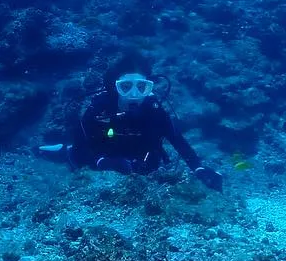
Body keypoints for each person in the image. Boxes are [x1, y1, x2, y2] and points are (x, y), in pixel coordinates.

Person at [37, 59, 222, 190]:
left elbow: (178, 141)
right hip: (103, 157)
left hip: (142, 163)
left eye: (141, 87)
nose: (134, 94)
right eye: (126, 86)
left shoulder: (155, 110)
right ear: (113, 86)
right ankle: (63, 151)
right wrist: (103, 162)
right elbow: (82, 145)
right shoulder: (99, 107)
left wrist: (198, 168)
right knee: (76, 158)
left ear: (149, 87)